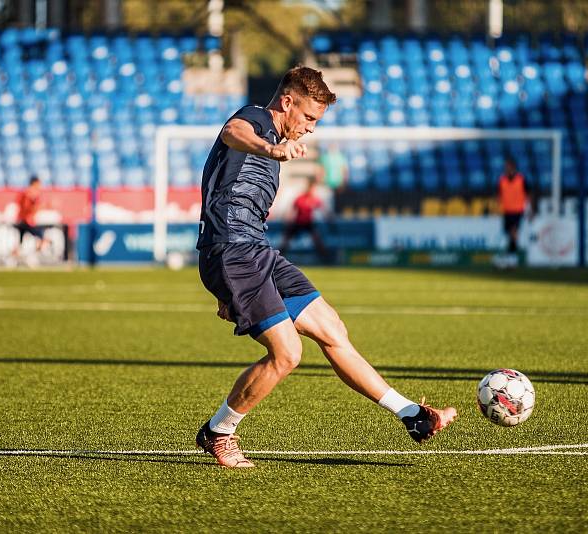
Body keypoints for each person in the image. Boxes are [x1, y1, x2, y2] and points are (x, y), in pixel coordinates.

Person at [194, 66, 457, 468]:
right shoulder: (258, 121)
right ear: (287, 102)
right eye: (309, 118)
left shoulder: (275, 140)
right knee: (287, 354)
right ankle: (219, 431)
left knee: (332, 328)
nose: (312, 129)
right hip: (231, 250)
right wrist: (272, 150)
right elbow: (233, 132)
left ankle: (413, 416)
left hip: (256, 251)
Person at [279, 178, 330, 262]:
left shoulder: (314, 199)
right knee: (286, 240)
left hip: (308, 223)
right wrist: (287, 219)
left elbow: (323, 209)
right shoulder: (300, 198)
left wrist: (329, 218)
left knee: (317, 240)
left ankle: (325, 259)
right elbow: (292, 211)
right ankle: (279, 257)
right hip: (298, 222)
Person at [12, 176, 50, 262]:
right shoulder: (31, 193)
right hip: (26, 222)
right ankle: (31, 256)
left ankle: (13, 259)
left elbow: (18, 203)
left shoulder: (25, 192)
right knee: (43, 238)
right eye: (39, 184)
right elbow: (27, 207)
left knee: (19, 242)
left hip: (21, 220)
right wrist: (37, 207)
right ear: (35, 183)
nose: (40, 186)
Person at [497, 157, 528, 253]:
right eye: (506, 167)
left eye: (508, 166)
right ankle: (512, 248)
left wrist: (530, 209)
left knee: (514, 229)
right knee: (508, 231)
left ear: (513, 167)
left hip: (518, 210)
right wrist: (498, 207)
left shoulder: (521, 179)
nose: (507, 168)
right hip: (506, 210)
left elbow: (528, 193)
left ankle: (512, 251)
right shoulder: (502, 180)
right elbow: (499, 195)